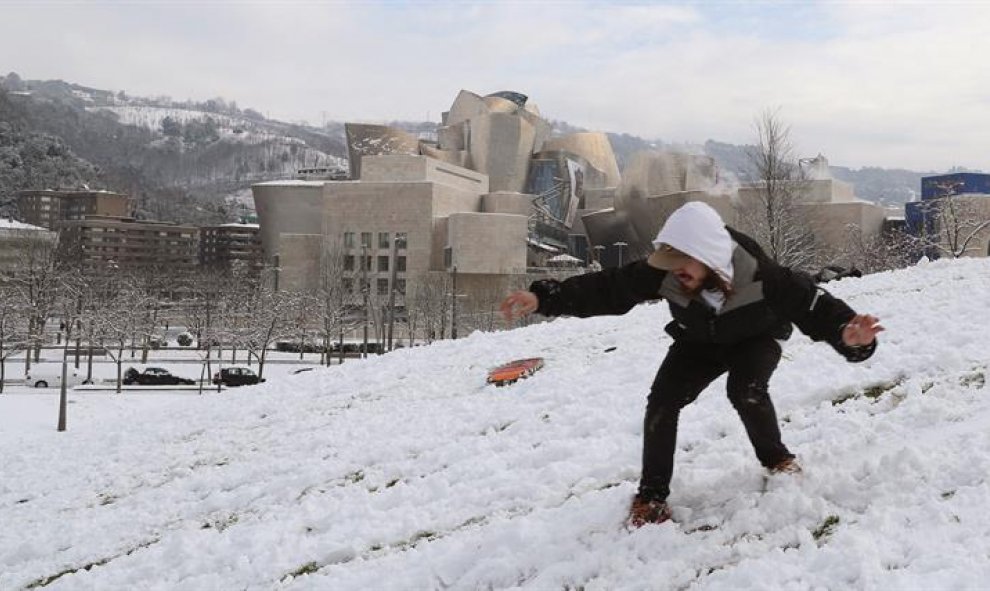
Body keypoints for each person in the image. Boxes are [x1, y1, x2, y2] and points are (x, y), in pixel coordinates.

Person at [499, 202, 883, 527]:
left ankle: (777, 459)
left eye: (684, 266)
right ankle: (651, 496)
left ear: (713, 259)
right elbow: (608, 288)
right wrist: (543, 299)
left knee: (745, 390)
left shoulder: (766, 278)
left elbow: (816, 306)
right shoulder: (665, 271)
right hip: (699, 340)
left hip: (755, 338)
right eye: (671, 266)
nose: (676, 273)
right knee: (663, 401)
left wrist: (849, 335)